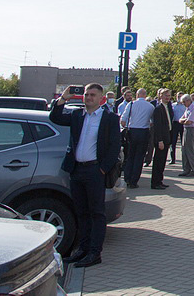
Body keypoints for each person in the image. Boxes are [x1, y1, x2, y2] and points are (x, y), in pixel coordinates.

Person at [49, 83, 121, 269]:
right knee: (81, 212)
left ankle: (94, 252)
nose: (88, 97)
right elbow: (55, 116)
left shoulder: (110, 118)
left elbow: (114, 147)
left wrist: (102, 169)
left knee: (96, 213)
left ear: (101, 98)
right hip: (77, 170)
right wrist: (64, 98)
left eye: (92, 95)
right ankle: (82, 249)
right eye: (87, 94)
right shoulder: (76, 115)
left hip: (95, 171)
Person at [120, 88, 153, 189]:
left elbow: (123, 119)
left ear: (137, 95)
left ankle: (127, 178)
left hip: (132, 131)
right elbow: (152, 121)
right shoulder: (150, 106)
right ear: (145, 95)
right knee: (139, 157)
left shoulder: (131, 104)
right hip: (143, 131)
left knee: (130, 156)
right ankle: (134, 181)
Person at [149, 89, 173, 190]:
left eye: (169, 95)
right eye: (165, 95)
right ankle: (155, 182)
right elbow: (157, 126)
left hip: (167, 136)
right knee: (158, 161)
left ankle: (160, 180)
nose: (167, 97)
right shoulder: (158, 109)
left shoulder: (168, 107)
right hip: (161, 139)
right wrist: (160, 141)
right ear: (160, 96)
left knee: (162, 161)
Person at [177, 94, 194, 178]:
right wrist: (183, 120)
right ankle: (186, 169)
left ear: (188, 100)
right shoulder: (187, 109)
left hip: (191, 130)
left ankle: (193, 170)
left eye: (184, 102)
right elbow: (180, 119)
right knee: (184, 150)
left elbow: (189, 121)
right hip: (186, 129)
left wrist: (184, 121)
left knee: (190, 150)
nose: (183, 104)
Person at [170, 93, 185, 164]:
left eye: (181, 96)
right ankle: (172, 159)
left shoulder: (185, 106)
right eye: (178, 96)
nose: (179, 98)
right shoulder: (173, 105)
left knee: (183, 142)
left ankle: (184, 158)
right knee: (173, 142)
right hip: (175, 123)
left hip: (183, 124)